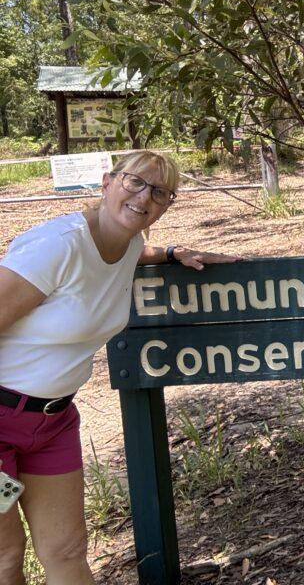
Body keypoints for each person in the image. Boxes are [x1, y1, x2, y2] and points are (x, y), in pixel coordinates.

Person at [0, 150, 238, 584]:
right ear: (108, 182)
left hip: (52, 424)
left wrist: (171, 253)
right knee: (4, 555)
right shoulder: (56, 245)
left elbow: (125, 253)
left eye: (161, 192)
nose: (145, 197)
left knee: (67, 549)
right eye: (135, 182)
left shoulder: (125, 242)